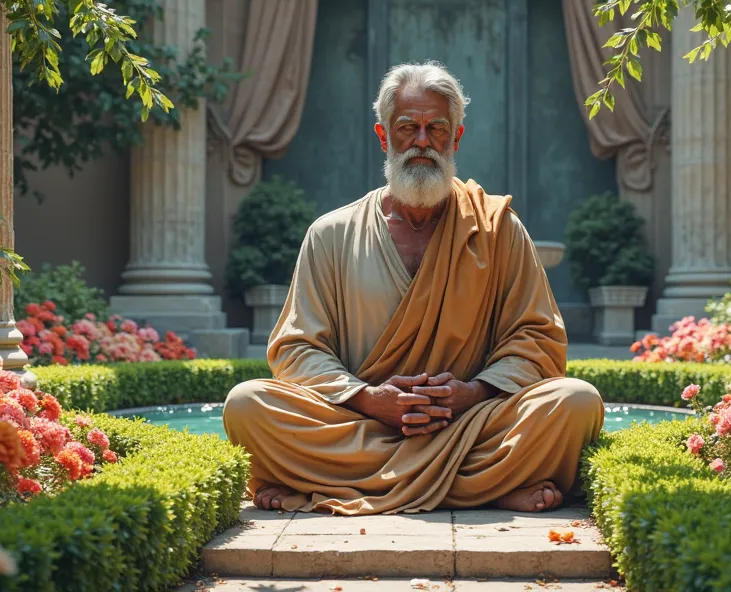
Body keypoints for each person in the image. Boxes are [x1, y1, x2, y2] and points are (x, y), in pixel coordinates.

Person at [223, 60, 605, 516]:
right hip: (363, 424)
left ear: (456, 139)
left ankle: (331, 488)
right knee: (246, 405)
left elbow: (538, 337)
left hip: (469, 425)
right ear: (384, 136)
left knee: (577, 402)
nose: (422, 142)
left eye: (436, 129)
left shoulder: (499, 229)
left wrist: (475, 392)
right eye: (407, 128)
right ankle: (481, 487)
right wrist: (368, 399)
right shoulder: (331, 233)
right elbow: (297, 347)